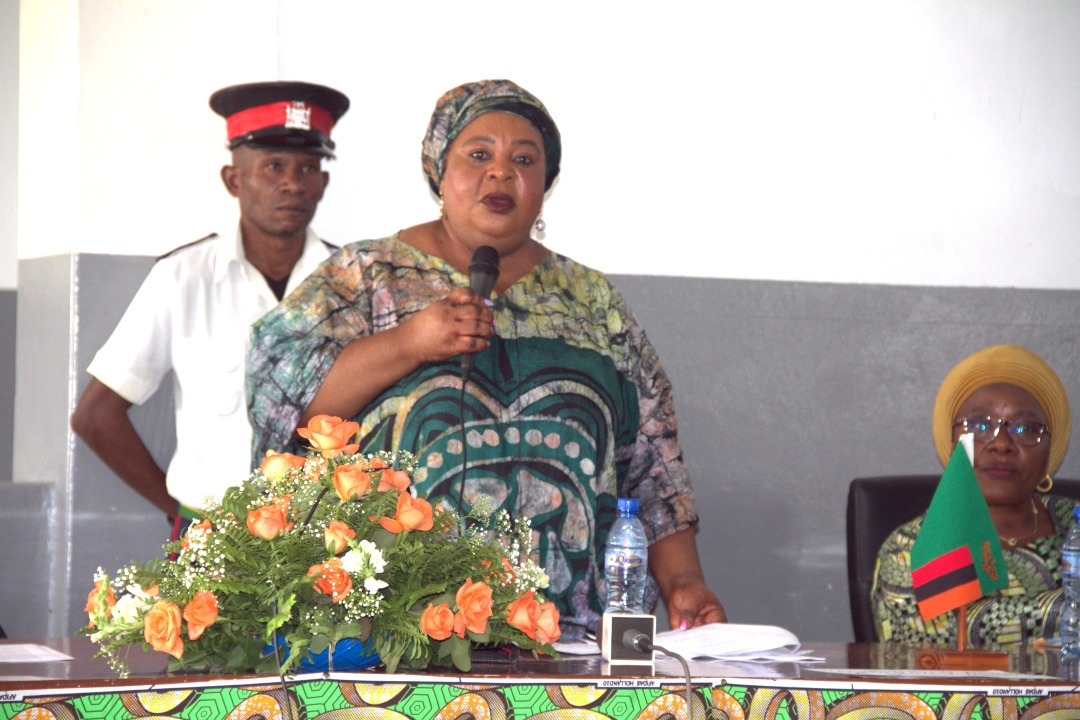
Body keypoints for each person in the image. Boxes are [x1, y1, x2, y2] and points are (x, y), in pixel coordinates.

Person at [246, 79, 726, 640]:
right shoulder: (367, 276)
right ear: (440, 173)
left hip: (565, 639)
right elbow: (284, 406)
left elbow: (653, 467)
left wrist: (685, 582)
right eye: (479, 155)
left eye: (523, 160)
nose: (501, 173)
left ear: (544, 184)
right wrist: (410, 343)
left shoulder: (592, 302)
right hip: (397, 636)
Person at [71, 81, 349, 537]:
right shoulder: (183, 278)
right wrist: (181, 514)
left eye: (308, 169)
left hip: (324, 543)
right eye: (273, 166)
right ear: (233, 180)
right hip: (213, 541)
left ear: (324, 182)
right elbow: (95, 416)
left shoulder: (351, 282)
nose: (293, 184)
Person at [871, 344, 1076, 647]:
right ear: (952, 442)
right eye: (980, 426)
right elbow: (938, 639)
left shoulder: (1074, 525)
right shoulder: (909, 549)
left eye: (1026, 429)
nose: (1002, 444)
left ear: (1049, 451)